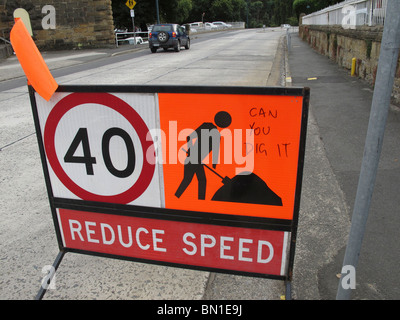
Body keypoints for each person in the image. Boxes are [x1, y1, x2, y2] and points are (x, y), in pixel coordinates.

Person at [175, 111, 232, 200]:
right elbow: (189, 136)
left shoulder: (216, 134)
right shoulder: (207, 127)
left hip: (197, 160)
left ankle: (200, 201)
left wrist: (214, 164)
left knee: (200, 180)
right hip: (192, 158)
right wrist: (190, 150)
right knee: (188, 180)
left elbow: (215, 153)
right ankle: (176, 197)